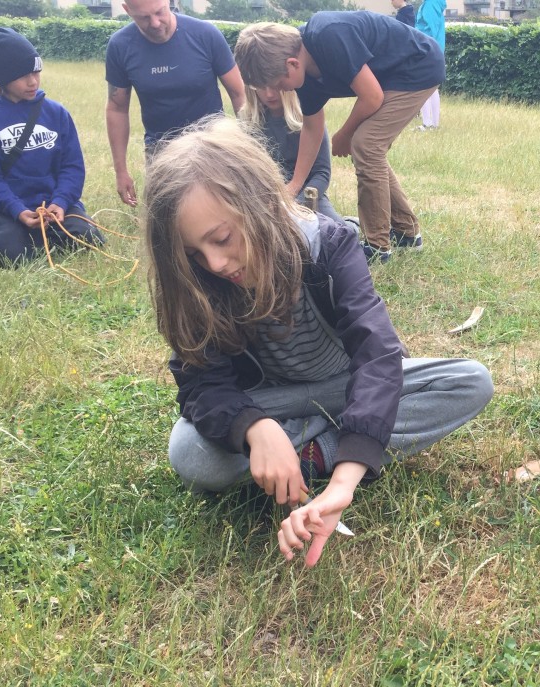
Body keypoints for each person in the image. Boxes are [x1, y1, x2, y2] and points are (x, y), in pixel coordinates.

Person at [143, 118, 493, 568]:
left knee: (469, 382)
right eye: (193, 254)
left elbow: (378, 356)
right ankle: (322, 444)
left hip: (344, 385)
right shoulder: (197, 284)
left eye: (222, 238)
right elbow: (199, 386)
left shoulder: (329, 245)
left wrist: (343, 483)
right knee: (189, 453)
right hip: (272, 402)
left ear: (259, 203)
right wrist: (254, 427)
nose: (214, 262)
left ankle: (319, 454)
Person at [234, 15, 444, 264]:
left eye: (278, 84)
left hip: (418, 66)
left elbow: (372, 96)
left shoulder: (329, 35)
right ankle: (407, 234)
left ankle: (377, 247)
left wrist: (344, 134)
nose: (277, 92)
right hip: (389, 77)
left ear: (292, 64)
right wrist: (294, 186)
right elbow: (312, 127)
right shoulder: (303, 77)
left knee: (365, 144)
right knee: (369, 148)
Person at [0, 27, 104, 267]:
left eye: (36, 71)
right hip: (11, 209)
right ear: (2, 78)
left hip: (54, 206)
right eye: (22, 75)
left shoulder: (57, 113)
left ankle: (46, 230)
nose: (33, 81)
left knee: (90, 241)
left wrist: (60, 203)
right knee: (12, 257)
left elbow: (72, 167)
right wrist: (17, 210)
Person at [105, 0, 246, 207]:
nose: (155, 23)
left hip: (212, 143)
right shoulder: (120, 46)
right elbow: (117, 108)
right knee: (167, 219)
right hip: (161, 149)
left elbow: (238, 93)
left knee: (219, 209)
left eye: (160, 12)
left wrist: (246, 145)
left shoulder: (206, 34)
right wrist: (121, 171)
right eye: (144, 17)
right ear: (127, 10)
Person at [238, 88, 342, 222]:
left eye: (274, 86)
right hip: (267, 200)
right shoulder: (248, 123)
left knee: (340, 234)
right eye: (262, 87)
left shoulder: (310, 116)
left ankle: (352, 224)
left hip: (308, 195)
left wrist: (295, 205)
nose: (269, 94)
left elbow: (322, 173)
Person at [415, 0, 446, 130]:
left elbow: (430, 29)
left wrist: (421, 48)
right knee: (432, 88)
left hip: (427, 50)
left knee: (424, 87)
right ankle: (432, 124)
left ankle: (428, 123)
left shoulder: (430, 4)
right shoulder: (433, 3)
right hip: (434, 49)